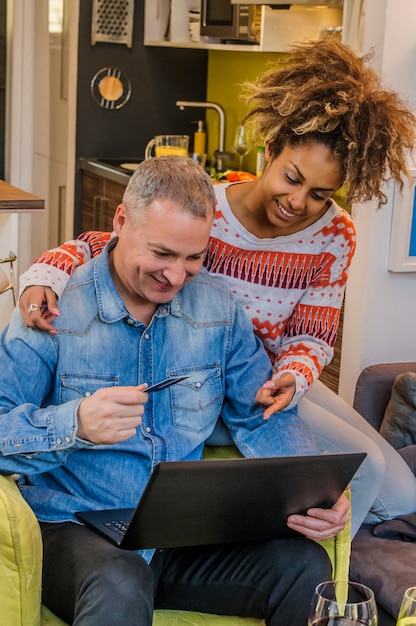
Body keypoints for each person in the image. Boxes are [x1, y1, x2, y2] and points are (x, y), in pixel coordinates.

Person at [19, 39, 416, 536]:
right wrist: (44, 273)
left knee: (402, 492)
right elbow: (113, 244)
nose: (298, 202)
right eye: (291, 178)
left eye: (320, 193)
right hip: (204, 375)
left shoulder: (336, 235)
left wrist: (294, 376)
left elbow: (313, 335)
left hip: (269, 384)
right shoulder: (213, 210)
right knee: (368, 472)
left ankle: (330, 554)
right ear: (270, 150)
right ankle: (328, 578)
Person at [0, 156, 348, 626]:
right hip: (75, 529)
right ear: (121, 221)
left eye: (194, 257)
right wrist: (74, 424)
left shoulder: (219, 312)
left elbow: (263, 415)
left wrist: (316, 490)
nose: (178, 276)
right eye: (162, 253)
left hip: (180, 535)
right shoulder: (51, 310)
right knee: (120, 582)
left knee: (304, 567)